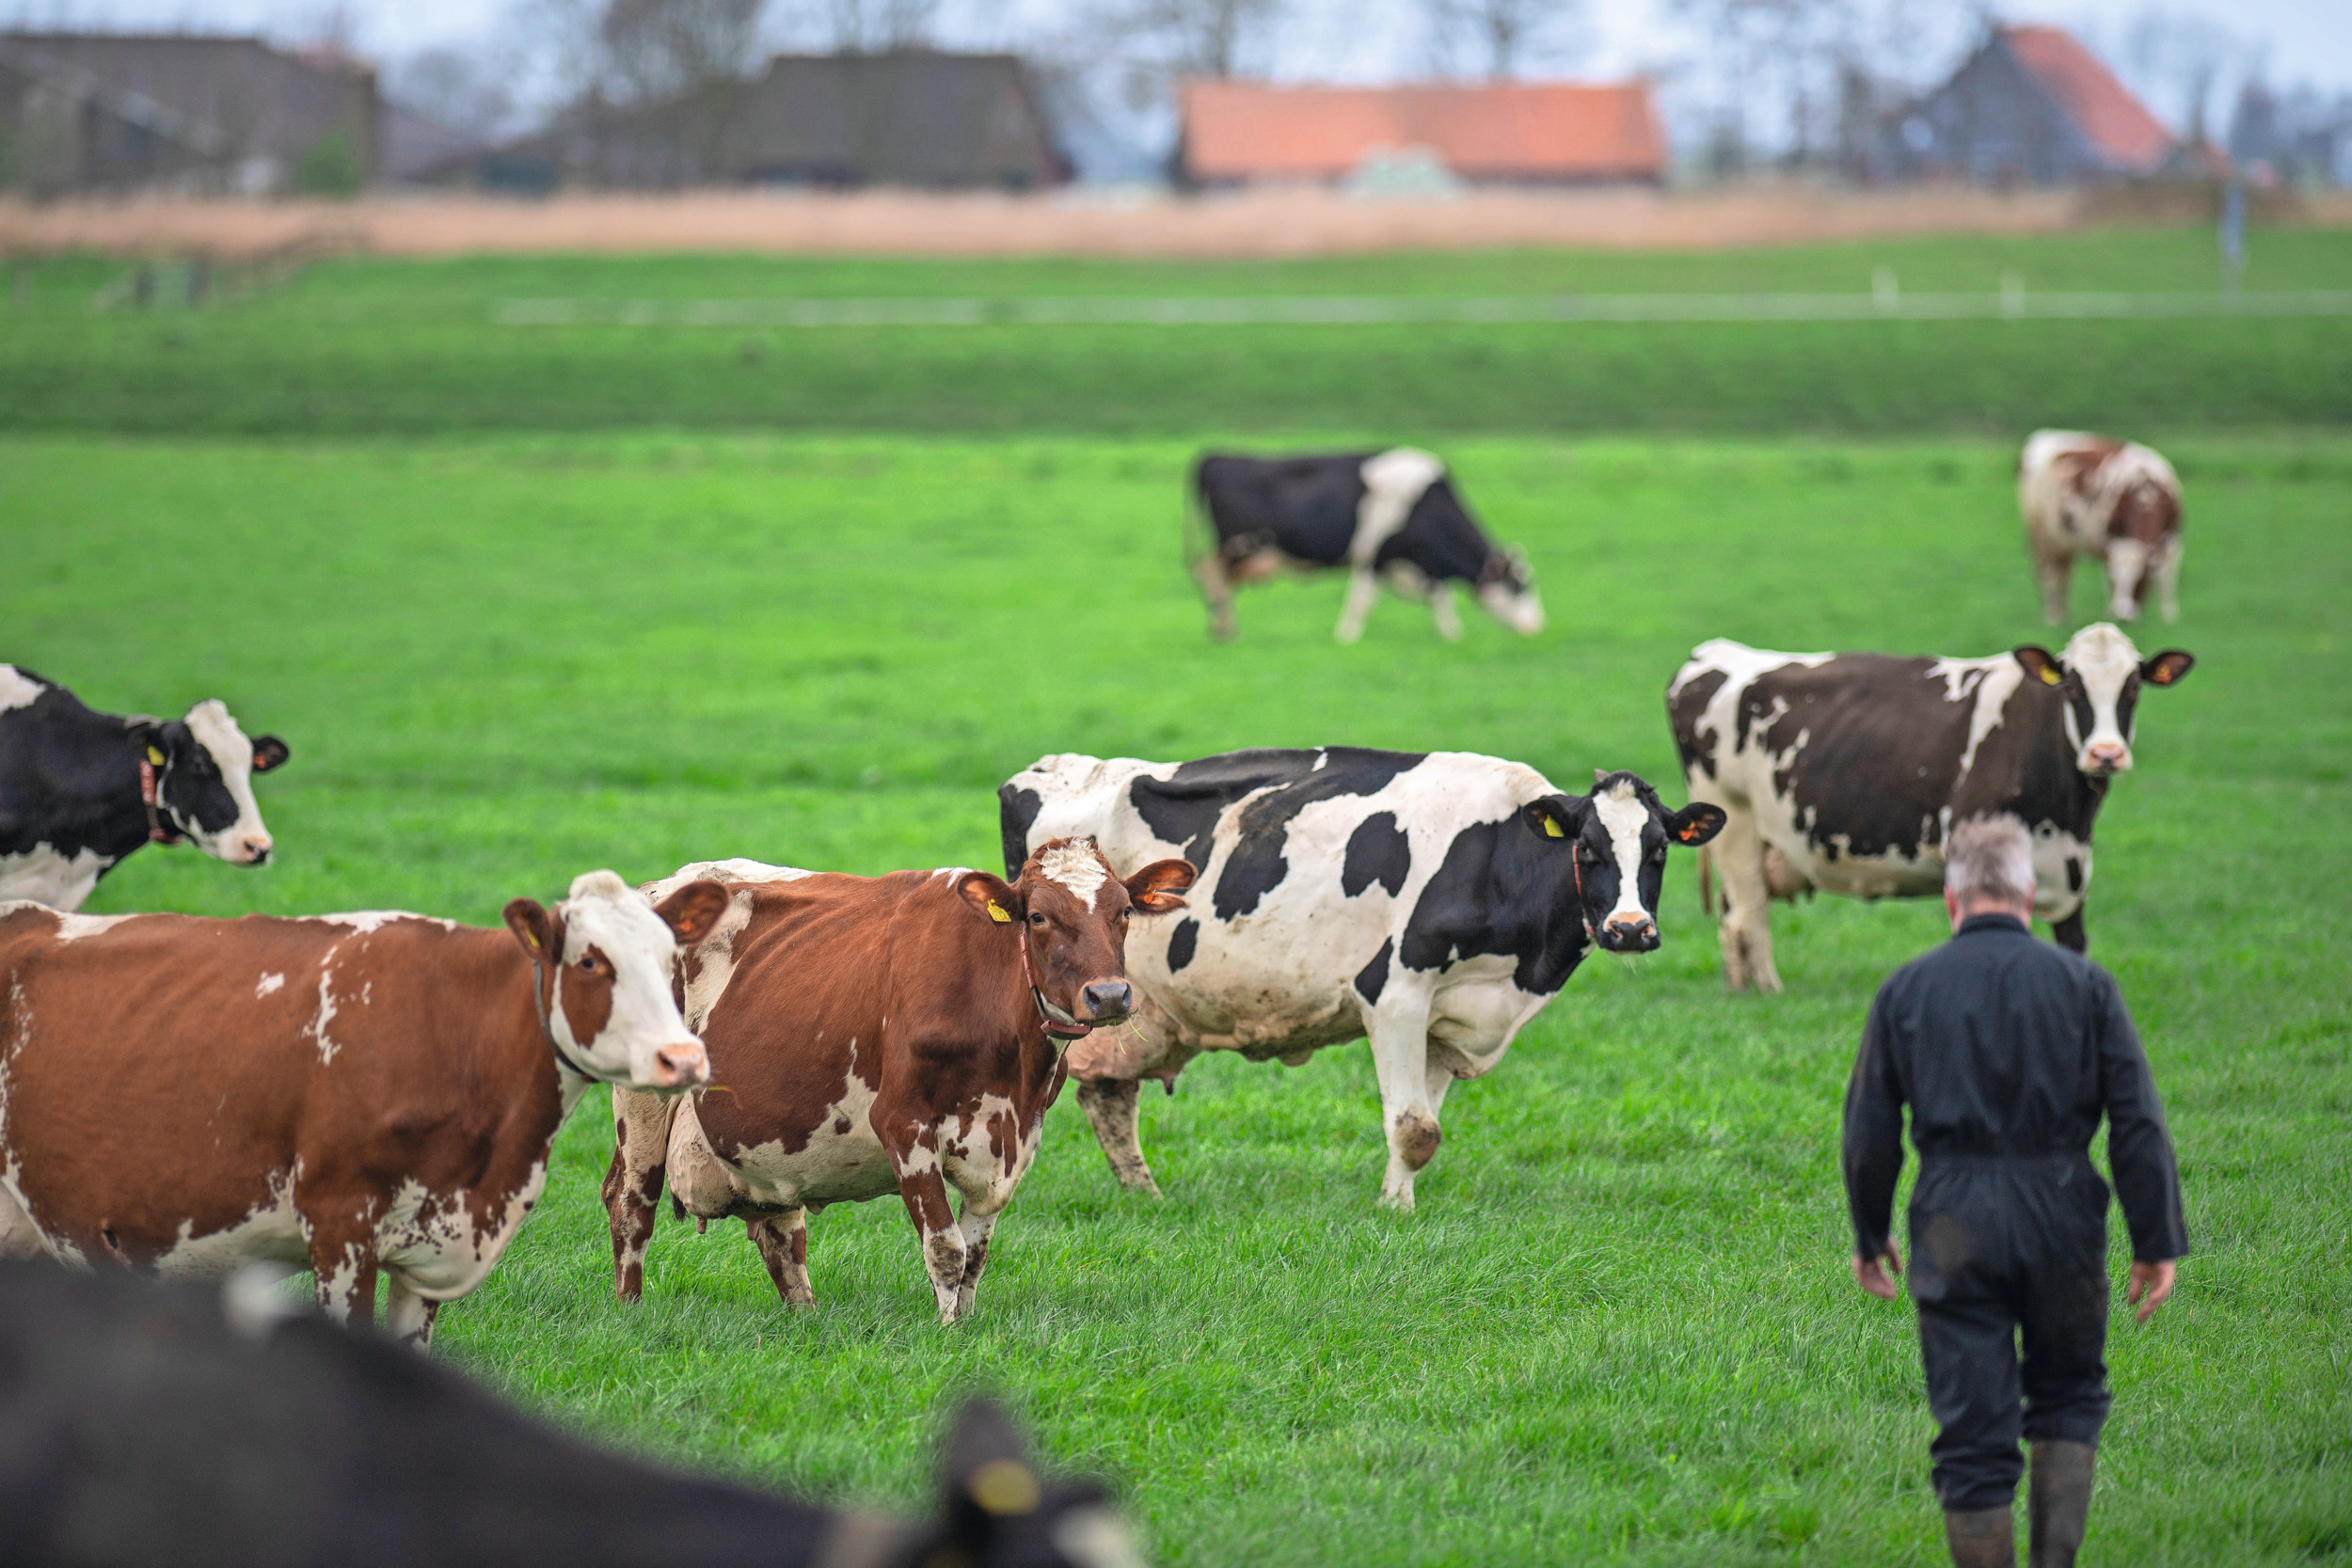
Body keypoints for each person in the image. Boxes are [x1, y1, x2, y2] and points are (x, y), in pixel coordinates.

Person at [1842, 815, 2186, 1568]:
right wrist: (2156, 1240)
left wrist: (1870, 1236)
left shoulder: (1907, 990)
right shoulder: (2086, 985)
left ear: (1950, 899)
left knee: (1972, 1429)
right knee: (2067, 1395)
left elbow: (1869, 1131)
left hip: (1952, 1220)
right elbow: (2137, 1122)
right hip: (2063, 1212)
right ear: (2030, 893)